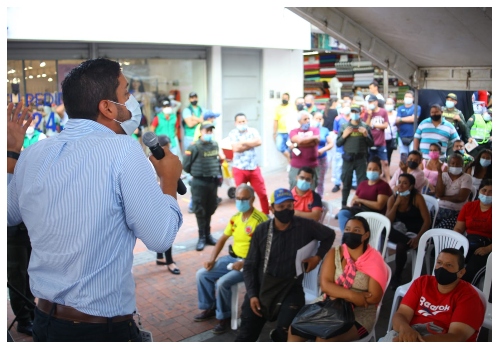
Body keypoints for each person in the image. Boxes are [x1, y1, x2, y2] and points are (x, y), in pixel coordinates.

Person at [7, 58, 184, 342]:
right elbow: (161, 237)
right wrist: (169, 180)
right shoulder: (123, 151)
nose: (131, 101)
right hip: (101, 330)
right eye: (126, 93)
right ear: (107, 107)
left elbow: (9, 214)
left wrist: (13, 153)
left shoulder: (35, 154)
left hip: (45, 323)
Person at [234, 188, 335, 342]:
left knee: (285, 332)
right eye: (281, 207)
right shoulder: (262, 230)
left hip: (291, 287)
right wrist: (252, 294)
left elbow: (329, 235)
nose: (286, 210)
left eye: (289, 206)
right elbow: (249, 266)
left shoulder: (305, 226)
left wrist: (317, 257)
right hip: (263, 287)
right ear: (272, 208)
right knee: (246, 335)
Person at [288, 216, 388, 342]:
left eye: (356, 231)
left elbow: (373, 298)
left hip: (360, 313)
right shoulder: (335, 252)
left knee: (323, 339)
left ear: (366, 235)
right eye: (347, 229)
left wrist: (337, 292)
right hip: (329, 304)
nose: (350, 233)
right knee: (295, 330)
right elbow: (325, 285)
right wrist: (352, 295)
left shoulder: (373, 260)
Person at [194, 184, 268, 334]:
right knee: (202, 274)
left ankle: (224, 316)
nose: (240, 202)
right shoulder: (236, 218)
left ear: (252, 199)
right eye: (238, 199)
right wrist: (212, 259)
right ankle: (210, 307)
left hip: (249, 263)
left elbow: (266, 250)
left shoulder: (261, 220)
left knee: (223, 283)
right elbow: (222, 239)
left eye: (244, 199)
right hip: (231, 258)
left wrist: (245, 263)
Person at [384, 248, 485, 342]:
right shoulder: (422, 283)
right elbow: (401, 315)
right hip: (412, 333)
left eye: (449, 265)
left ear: (461, 273)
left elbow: (456, 337)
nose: (442, 268)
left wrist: (416, 341)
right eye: (439, 263)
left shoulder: (469, 297)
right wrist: (405, 329)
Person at [7, 104, 36, 336]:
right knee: (16, 275)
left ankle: (32, 311)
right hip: (9, 233)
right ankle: (23, 318)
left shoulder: (17, 150)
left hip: (26, 224)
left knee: (29, 272)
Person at [386, 174, 431, 288]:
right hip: (400, 232)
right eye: (399, 182)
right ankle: (409, 242)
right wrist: (396, 204)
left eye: (404, 183)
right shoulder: (393, 198)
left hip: (415, 232)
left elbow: (427, 221)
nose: (400, 185)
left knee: (401, 246)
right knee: (384, 228)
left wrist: (418, 238)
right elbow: (387, 221)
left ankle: (397, 275)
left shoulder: (417, 198)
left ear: (411, 187)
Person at [183, 121, 221, 251]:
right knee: (199, 210)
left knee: (210, 208)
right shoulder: (194, 147)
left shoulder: (215, 145)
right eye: (207, 131)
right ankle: (202, 237)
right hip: (199, 182)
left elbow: (216, 162)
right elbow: (186, 166)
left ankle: (208, 235)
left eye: (211, 131)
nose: (209, 133)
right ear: (201, 132)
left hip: (212, 182)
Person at [337, 156, 393, 233]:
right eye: (369, 169)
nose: (372, 171)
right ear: (366, 170)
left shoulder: (383, 186)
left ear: (380, 171)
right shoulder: (362, 184)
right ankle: (347, 237)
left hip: (373, 215)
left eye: (375, 169)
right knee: (343, 213)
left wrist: (361, 201)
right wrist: (354, 201)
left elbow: (379, 206)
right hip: (359, 211)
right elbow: (354, 199)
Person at [228, 113, 269, 215]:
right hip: (239, 168)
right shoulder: (232, 133)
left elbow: (259, 142)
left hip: (253, 167)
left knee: (262, 193)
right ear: (235, 123)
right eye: (239, 122)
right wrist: (250, 143)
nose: (242, 123)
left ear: (247, 121)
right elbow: (236, 149)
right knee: (242, 195)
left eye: (243, 121)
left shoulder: (253, 131)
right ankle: (244, 215)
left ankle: (266, 214)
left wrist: (243, 142)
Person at [453, 179, 492, 286]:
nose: (487, 194)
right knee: (451, 259)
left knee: (472, 268)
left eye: (491, 192)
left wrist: (488, 249)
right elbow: (459, 229)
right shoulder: (469, 207)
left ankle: (464, 291)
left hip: (489, 246)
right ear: (479, 191)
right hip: (469, 242)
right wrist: (456, 243)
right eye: (484, 190)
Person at [336, 104, 374, 208]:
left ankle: (360, 204)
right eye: (352, 112)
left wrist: (366, 135)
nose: (354, 114)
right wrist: (344, 135)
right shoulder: (344, 126)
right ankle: (344, 205)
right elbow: (338, 143)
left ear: (360, 113)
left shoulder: (365, 127)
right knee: (346, 183)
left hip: (361, 159)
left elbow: (371, 144)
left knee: (362, 183)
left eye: (356, 112)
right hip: (348, 159)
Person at [154, 135, 181, 275]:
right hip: (159, 199)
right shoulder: (150, 161)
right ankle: (169, 261)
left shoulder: (168, 160)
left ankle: (160, 257)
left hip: (165, 197)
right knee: (167, 228)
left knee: (161, 228)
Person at [434, 154, 473, 229]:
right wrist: (439, 173)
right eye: (453, 163)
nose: (455, 166)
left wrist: (443, 197)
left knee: (439, 230)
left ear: (462, 165)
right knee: (427, 227)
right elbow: (439, 194)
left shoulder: (467, 178)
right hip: (439, 209)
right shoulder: (444, 175)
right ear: (448, 165)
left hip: (456, 212)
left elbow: (461, 198)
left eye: (458, 164)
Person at [288, 110, 320, 190]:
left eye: (308, 119)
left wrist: (298, 144)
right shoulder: (294, 131)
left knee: (311, 189)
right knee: (295, 188)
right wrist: (312, 139)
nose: (307, 121)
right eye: (305, 119)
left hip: (312, 165)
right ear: (299, 121)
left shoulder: (315, 130)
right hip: (297, 166)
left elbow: (316, 141)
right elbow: (299, 140)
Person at [331, 101, 357, 193]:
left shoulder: (354, 118)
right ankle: (337, 184)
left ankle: (353, 183)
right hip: (340, 147)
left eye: (348, 105)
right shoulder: (338, 119)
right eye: (344, 106)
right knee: (339, 166)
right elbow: (335, 132)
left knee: (353, 165)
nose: (346, 107)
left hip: (351, 147)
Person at [364, 94, 390, 181]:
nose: (370, 103)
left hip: (381, 142)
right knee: (370, 163)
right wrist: (369, 116)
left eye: (372, 102)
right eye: (369, 102)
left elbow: (385, 125)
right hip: (370, 142)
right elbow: (366, 126)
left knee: (385, 162)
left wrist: (374, 125)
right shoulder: (367, 113)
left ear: (376, 102)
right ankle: (370, 180)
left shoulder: (383, 112)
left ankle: (389, 181)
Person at [312, 111, 334, 197]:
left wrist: (323, 150)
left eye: (320, 119)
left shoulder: (325, 130)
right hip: (310, 159)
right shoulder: (309, 130)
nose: (318, 121)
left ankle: (319, 200)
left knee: (320, 181)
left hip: (322, 159)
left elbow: (330, 143)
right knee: (311, 180)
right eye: (316, 118)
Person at [396, 90, 421, 156]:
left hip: (413, 136)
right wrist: (408, 118)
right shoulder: (400, 108)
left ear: (413, 98)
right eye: (406, 96)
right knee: (403, 158)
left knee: (412, 157)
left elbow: (413, 119)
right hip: (402, 136)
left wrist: (401, 119)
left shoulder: (417, 108)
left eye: (409, 97)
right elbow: (397, 120)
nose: (407, 98)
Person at [273, 92, 294, 166]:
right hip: (281, 132)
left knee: (290, 148)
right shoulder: (278, 108)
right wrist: (274, 132)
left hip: (290, 131)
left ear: (288, 99)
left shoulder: (292, 106)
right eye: (283, 98)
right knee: (279, 147)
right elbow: (276, 120)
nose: (284, 99)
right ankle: (290, 160)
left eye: (286, 98)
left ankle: (290, 164)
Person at [384, 97, 398, 165]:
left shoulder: (396, 114)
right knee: (382, 155)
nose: (389, 105)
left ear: (393, 104)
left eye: (391, 103)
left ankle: (386, 169)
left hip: (392, 137)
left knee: (389, 155)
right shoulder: (383, 113)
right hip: (382, 137)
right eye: (387, 103)